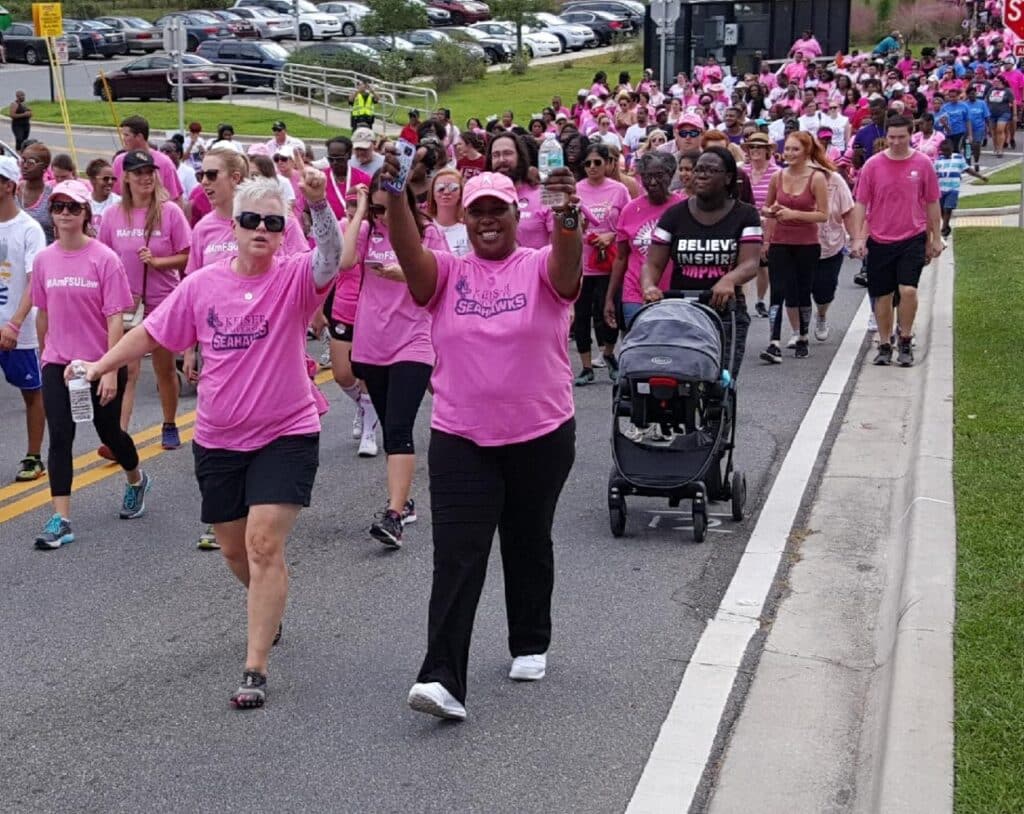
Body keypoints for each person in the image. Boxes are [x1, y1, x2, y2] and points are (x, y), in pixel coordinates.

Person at [80, 170, 343, 708]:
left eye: (274, 222)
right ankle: (267, 602)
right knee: (233, 549)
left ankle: (255, 666)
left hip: (285, 430)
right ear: (234, 225)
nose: (262, 230)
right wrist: (100, 365)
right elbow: (152, 333)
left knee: (263, 542)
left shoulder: (293, 277)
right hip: (220, 438)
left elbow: (329, 260)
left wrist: (317, 205)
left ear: (283, 228)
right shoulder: (202, 285)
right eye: (251, 221)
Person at [378, 163, 581, 721]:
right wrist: (395, 194)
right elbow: (406, 247)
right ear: (464, 220)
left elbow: (569, 270)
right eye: (478, 211)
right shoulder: (445, 273)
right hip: (461, 435)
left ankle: (530, 640)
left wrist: (568, 217)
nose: (489, 219)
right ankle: (441, 679)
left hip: (541, 432)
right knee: (457, 556)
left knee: (526, 537)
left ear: (517, 215)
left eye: (499, 209)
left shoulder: (540, 266)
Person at [31, 179, 150, 549]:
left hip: (99, 363)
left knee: (110, 434)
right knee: (61, 437)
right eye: (58, 206)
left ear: (86, 214)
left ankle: (136, 479)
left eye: (73, 207)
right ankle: (61, 519)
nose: (64, 213)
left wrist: (111, 368)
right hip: (58, 363)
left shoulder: (104, 259)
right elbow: (43, 312)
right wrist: (43, 354)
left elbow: (117, 318)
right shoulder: (44, 259)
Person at [350, 172, 445, 548]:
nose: (382, 216)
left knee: (401, 426)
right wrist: (359, 214)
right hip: (371, 340)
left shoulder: (427, 233)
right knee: (391, 428)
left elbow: (441, 276)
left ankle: (393, 516)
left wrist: (405, 273)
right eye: (376, 209)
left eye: (387, 208)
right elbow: (340, 262)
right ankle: (404, 501)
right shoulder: (365, 231)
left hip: (414, 340)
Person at [97, 150, 191, 450]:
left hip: (163, 302)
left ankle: (169, 422)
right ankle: (118, 437)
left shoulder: (170, 212)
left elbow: (188, 256)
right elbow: (102, 258)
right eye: (138, 172)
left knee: (163, 369)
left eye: (150, 171)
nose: (145, 177)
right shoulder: (113, 215)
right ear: (125, 177)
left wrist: (159, 262)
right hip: (127, 305)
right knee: (128, 369)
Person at [642, 146, 760, 376]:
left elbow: (751, 262)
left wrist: (730, 279)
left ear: (727, 177)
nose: (701, 175)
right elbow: (653, 263)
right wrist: (649, 285)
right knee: (676, 376)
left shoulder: (745, 215)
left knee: (719, 382)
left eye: (710, 170)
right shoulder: (674, 215)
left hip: (725, 311)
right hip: (681, 310)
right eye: (699, 170)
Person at [850, 116, 942, 368]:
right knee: (883, 296)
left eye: (901, 137)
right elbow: (861, 203)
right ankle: (883, 343)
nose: (896, 142)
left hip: (912, 236)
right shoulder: (872, 165)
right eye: (892, 137)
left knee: (908, 290)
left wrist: (936, 237)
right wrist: (858, 237)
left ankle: (905, 336)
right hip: (880, 238)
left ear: (911, 135)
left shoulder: (922, 164)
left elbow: (932, 202)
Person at [759, 132, 830, 362]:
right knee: (778, 290)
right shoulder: (777, 177)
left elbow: (823, 214)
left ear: (806, 151)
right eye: (787, 149)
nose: (789, 154)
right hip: (780, 241)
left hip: (807, 243)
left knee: (802, 291)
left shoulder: (816, 178)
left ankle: (803, 336)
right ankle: (773, 342)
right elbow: (766, 208)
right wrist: (769, 221)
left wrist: (794, 214)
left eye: (795, 149)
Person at [0, 155, 47, 482]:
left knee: (31, 392)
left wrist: (14, 323)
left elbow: (34, 282)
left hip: (19, 329)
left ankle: (33, 456)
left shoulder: (29, 229)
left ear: (8, 186)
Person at [324, 187, 379, 459]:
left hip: (371, 309)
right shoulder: (344, 225)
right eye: (348, 202)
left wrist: (364, 215)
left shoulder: (374, 230)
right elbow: (341, 263)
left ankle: (370, 429)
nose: (351, 207)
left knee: (365, 371)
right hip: (343, 307)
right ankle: (366, 406)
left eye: (358, 202)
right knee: (343, 374)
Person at [604, 151, 682, 332]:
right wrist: (610, 297)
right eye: (647, 177)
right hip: (635, 294)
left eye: (659, 176)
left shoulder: (683, 207)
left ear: (670, 176)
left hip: (673, 294)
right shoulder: (630, 210)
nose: (653, 182)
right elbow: (621, 258)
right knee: (639, 347)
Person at [573, 142, 629, 384]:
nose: (592, 167)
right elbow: (565, 226)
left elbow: (628, 224)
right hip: (583, 263)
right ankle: (586, 367)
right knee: (582, 314)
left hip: (611, 262)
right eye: (588, 163)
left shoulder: (618, 190)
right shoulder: (576, 190)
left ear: (608, 163)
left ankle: (608, 353)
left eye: (597, 162)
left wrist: (612, 235)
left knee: (609, 311)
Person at [486, 132, 553, 249]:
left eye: (507, 153)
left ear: (520, 157)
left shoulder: (544, 195)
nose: (501, 159)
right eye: (496, 155)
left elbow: (561, 248)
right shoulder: (482, 199)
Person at [811, 167, 856, 343]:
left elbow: (848, 211)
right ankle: (798, 332)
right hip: (799, 244)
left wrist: (855, 239)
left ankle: (821, 314)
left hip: (830, 244)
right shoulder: (789, 177)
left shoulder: (835, 180)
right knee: (797, 289)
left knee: (825, 290)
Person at [742, 132, 778, 319]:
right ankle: (740, 299)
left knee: (763, 265)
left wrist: (768, 234)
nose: (755, 150)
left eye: (759, 147)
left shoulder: (776, 173)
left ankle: (761, 300)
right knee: (741, 264)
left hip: (767, 224)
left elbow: (778, 203)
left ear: (768, 151)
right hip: (744, 224)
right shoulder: (742, 171)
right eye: (752, 147)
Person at [111, 116, 184, 203]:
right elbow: (113, 196)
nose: (123, 139)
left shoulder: (164, 163)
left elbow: (176, 199)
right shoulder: (119, 162)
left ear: (139, 137)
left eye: (126, 135)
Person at [934, 139, 987, 237]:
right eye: (943, 151)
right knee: (941, 209)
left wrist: (980, 176)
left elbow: (968, 170)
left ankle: (944, 228)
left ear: (952, 149)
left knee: (948, 208)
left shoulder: (958, 158)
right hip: (941, 189)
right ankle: (947, 225)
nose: (946, 154)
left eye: (947, 151)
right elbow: (933, 174)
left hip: (953, 189)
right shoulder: (938, 160)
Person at [425, 168, 468, 257]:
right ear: (432, 194)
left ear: (461, 193)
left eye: (453, 188)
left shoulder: (469, 230)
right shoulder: (423, 228)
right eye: (440, 188)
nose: (446, 192)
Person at [85, 158, 121, 233]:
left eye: (113, 179)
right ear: (93, 180)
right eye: (106, 179)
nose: (110, 182)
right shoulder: (83, 201)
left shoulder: (119, 203)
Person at [985, 74, 1015, 156]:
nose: (994, 82)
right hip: (992, 113)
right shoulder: (991, 90)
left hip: (1004, 113)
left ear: (1001, 81)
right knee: (993, 132)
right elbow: (987, 100)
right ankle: (996, 147)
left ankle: (1001, 149)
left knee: (1000, 130)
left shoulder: (1008, 90)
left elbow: (1013, 102)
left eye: (996, 81)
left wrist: (1015, 114)